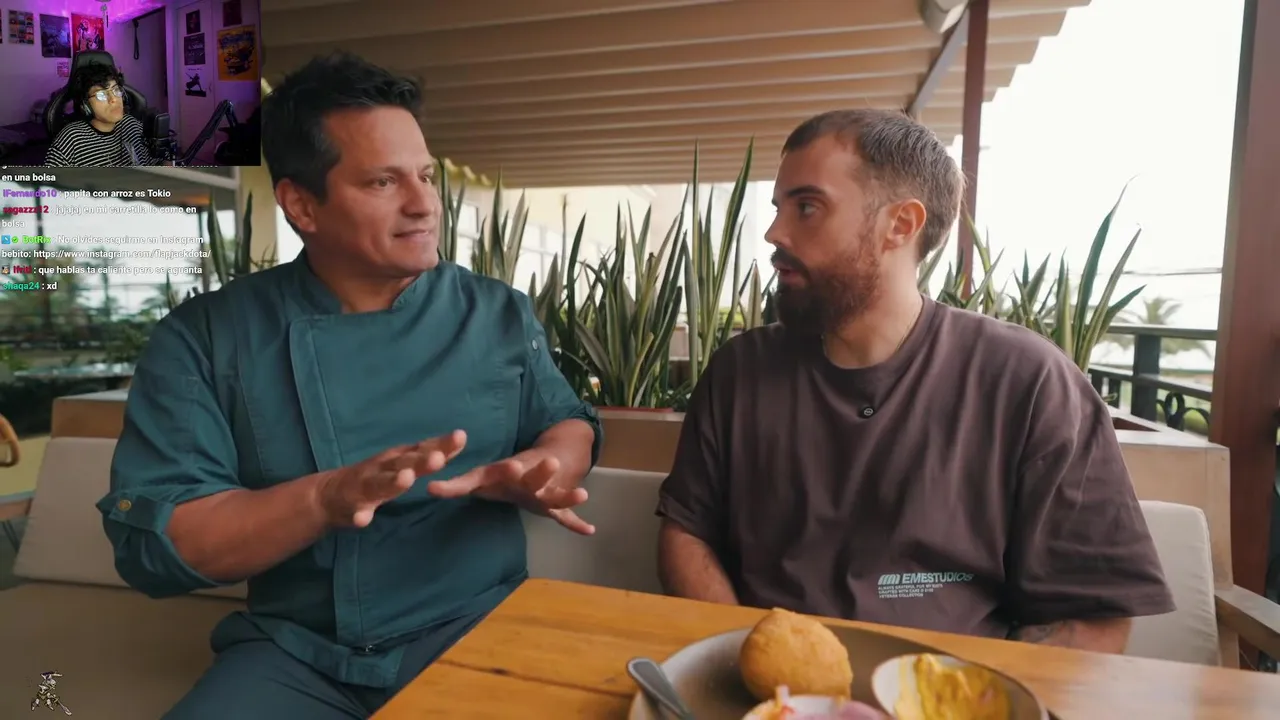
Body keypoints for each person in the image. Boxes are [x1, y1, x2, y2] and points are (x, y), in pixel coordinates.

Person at [97, 52, 601, 719]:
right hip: (295, 654)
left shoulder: (496, 312)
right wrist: (324, 498)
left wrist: (546, 466)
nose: (424, 204)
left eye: (426, 176)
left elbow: (568, 420)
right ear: (302, 204)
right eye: (383, 182)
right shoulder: (207, 337)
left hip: (477, 626)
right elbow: (158, 546)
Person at [655, 109, 1174, 653]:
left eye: (807, 207)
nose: (774, 233)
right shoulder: (741, 372)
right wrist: (745, 657)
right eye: (778, 207)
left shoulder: (1028, 382)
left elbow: (1092, 615)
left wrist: (976, 693)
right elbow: (687, 533)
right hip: (764, 686)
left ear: (900, 225)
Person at [45, 64, 158, 167]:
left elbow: (157, 163)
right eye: (102, 95)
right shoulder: (71, 140)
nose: (114, 99)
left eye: (116, 90)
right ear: (85, 105)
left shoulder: (131, 125)